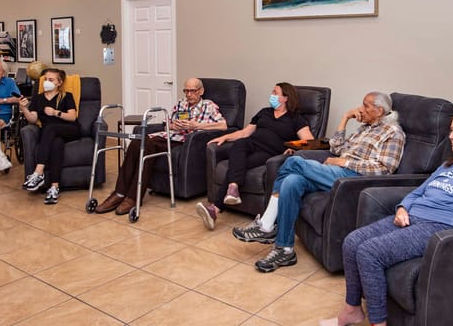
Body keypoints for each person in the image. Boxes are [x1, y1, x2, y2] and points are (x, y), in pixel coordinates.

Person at [333, 113, 453, 326]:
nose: (451, 136)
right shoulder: (448, 165)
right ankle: (352, 309)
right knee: (351, 242)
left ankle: (379, 322)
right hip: (412, 217)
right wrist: (402, 208)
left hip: (441, 226)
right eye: (451, 130)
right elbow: (417, 193)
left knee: (369, 252)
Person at [233, 92, 406, 272]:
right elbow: (336, 147)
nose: (360, 109)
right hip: (336, 172)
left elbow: (384, 169)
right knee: (292, 181)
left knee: (293, 162)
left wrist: (344, 162)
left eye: (365, 105)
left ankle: (267, 224)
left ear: (379, 110)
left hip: (351, 178)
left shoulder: (393, 132)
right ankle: (284, 249)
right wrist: (345, 118)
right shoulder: (365, 128)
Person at [94, 78, 227, 215]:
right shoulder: (181, 103)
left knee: (146, 146)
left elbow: (223, 125)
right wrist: (172, 125)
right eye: (186, 91)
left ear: (201, 91)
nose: (188, 94)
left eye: (192, 91)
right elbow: (166, 123)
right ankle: (120, 194)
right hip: (168, 136)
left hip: (184, 141)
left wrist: (197, 126)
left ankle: (132, 197)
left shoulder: (208, 105)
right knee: (136, 143)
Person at [195, 82, 314, 230]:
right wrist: (225, 138)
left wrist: (293, 149)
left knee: (237, 166)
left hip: (269, 153)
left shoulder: (295, 118)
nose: (272, 95)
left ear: (285, 98)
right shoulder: (264, 112)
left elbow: (309, 141)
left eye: (275, 93)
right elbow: (245, 133)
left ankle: (215, 209)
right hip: (251, 144)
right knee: (238, 145)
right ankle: (233, 188)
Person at [19, 68, 80, 204]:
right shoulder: (38, 99)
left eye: (51, 80)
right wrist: (24, 108)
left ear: (59, 82)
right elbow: (33, 120)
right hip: (51, 134)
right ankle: (54, 188)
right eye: (46, 79)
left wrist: (55, 113)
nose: (47, 82)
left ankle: (38, 173)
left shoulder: (66, 96)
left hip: (70, 129)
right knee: (56, 144)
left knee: (50, 128)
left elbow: (72, 117)